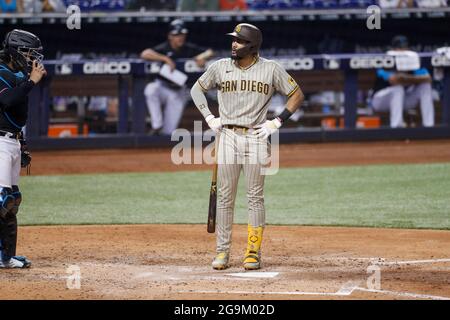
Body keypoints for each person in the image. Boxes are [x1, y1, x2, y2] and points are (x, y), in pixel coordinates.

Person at [190, 23, 304, 270]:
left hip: (256, 137)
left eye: (239, 41)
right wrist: (209, 117)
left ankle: (253, 251)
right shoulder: (219, 67)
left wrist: (277, 122)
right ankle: (222, 252)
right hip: (227, 136)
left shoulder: (271, 69)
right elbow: (196, 90)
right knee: (225, 197)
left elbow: (296, 94)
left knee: (255, 197)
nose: (234, 44)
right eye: (233, 40)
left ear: (252, 46)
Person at [0, 29, 46, 268]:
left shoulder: (17, 74)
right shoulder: (0, 72)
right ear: (15, 51)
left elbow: (16, 113)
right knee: (2, 200)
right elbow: (6, 100)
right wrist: (31, 82)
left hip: (12, 142)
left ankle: (6, 257)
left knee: (11, 200)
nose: (32, 59)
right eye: (29, 54)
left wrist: (22, 142)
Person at [140, 19, 214, 135]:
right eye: (176, 35)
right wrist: (164, 58)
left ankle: (160, 143)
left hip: (178, 91)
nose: (180, 37)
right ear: (170, 36)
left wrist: (202, 57)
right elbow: (144, 53)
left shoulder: (188, 48)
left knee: (168, 132)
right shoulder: (164, 48)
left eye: (182, 34)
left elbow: (210, 51)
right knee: (150, 89)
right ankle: (156, 124)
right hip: (162, 87)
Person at [371, 35, 434, 128]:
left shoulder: (413, 60)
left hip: (403, 100)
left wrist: (404, 77)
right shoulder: (386, 60)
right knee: (398, 88)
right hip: (380, 100)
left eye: (404, 47)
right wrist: (413, 79)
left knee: (425, 86)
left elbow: (428, 79)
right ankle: (397, 127)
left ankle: (429, 126)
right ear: (394, 49)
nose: (402, 50)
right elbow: (393, 80)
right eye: (399, 48)